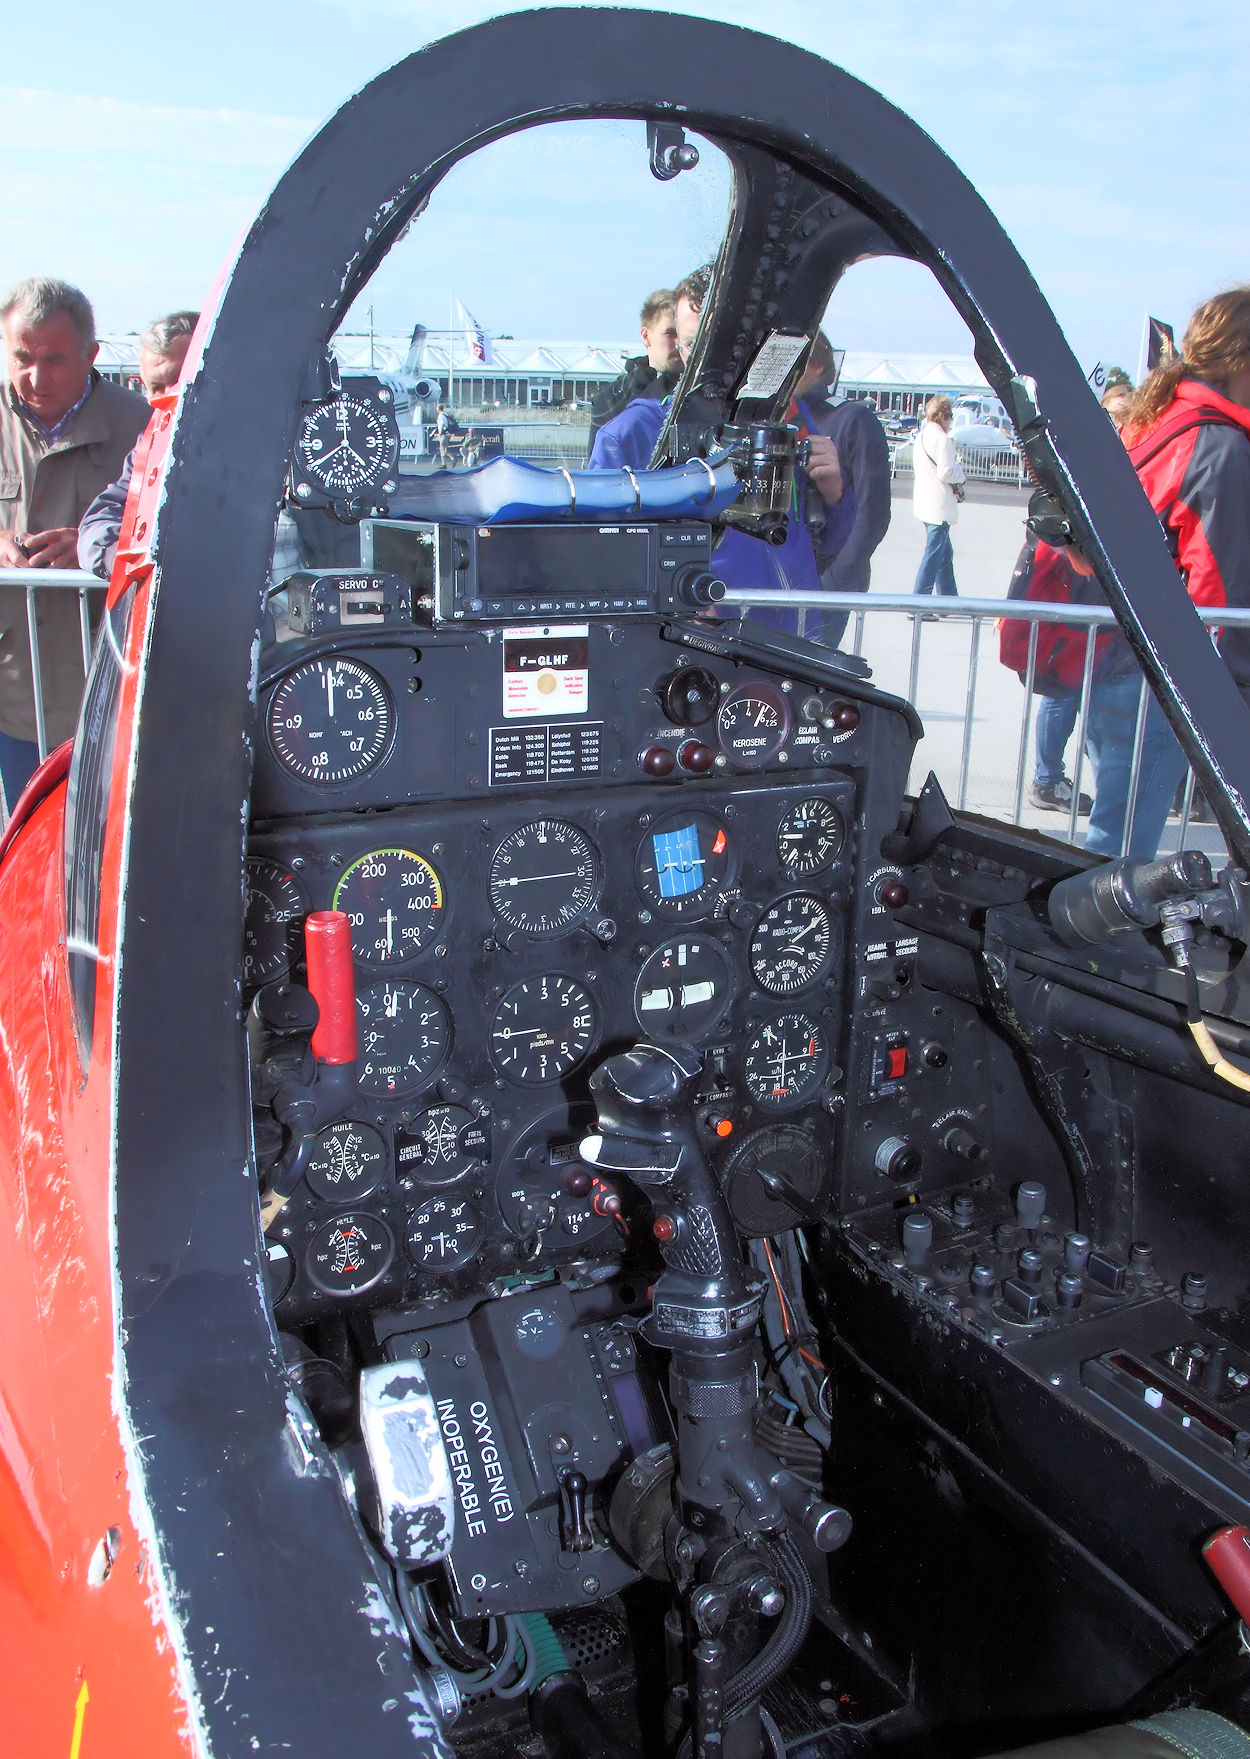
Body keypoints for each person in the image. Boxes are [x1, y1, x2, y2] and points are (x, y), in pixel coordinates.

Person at [1081, 288, 1250, 859]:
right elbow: (1217, 595)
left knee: (1111, 843)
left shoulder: (1159, 420)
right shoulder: (1218, 446)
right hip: (1165, 675)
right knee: (1120, 859)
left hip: (1117, 658)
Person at [0, 276, 149, 809]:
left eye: (55, 360)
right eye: (21, 358)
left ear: (91, 355)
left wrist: (92, 543)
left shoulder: (144, 426)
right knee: (25, 846)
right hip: (15, 692)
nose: (35, 377)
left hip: (112, 685)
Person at [1002, 385, 1128, 813]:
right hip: (1075, 607)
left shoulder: (1109, 474)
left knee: (1092, 697)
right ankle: (1047, 778)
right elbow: (1051, 534)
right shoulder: (1074, 475)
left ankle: (1066, 775)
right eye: (1112, 421)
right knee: (1064, 693)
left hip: (1099, 611)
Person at [77, 311, 199, 582]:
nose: (164, 398)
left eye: (178, 381)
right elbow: (97, 524)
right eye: (154, 387)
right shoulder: (150, 449)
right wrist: (121, 558)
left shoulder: (285, 436)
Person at [792, 330, 891, 646]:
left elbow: (872, 514)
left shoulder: (852, 418)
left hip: (825, 584)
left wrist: (831, 584)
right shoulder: (775, 418)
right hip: (782, 579)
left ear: (816, 365)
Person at [586, 289, 682, 454]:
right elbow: (598, 473)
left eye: (683, 334)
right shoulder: (611, 400)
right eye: (670, 334)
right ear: (646, 336)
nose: (679, 342)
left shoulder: (700, 391)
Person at [911, 395, 965, 596]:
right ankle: (919, 601)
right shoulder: (942, 439)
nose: (951, 420)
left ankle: (949, 599)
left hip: (925, 501)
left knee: (943, 554)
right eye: (950, 415)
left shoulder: (922, 436)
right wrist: (961, 475)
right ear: (942, 415)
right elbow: (946, 472)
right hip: (939, 504)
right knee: (933, 555)